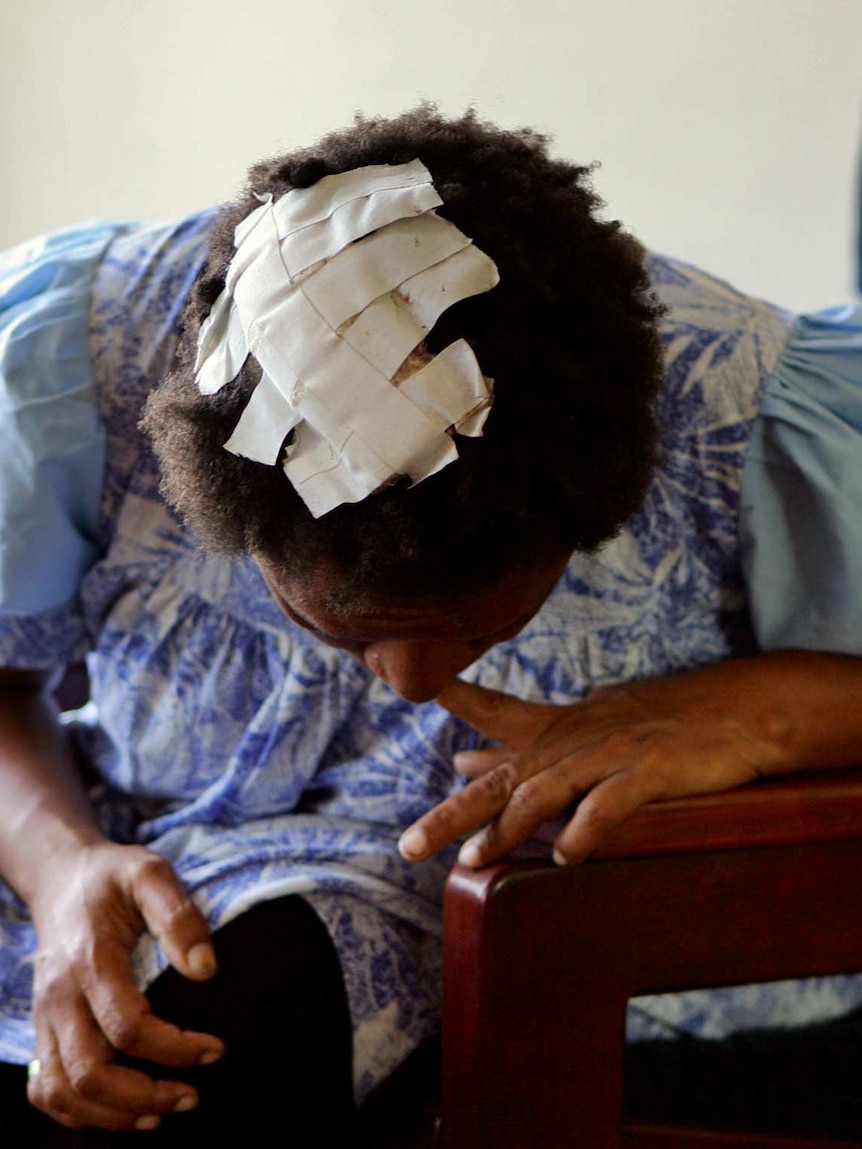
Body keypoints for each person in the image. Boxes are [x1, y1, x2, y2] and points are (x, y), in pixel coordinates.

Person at [1, 105, 861, 1144]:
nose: (410, 682)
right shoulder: (76, 361)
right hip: (93, 848)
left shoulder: (749, 403)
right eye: (354, 632)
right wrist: (58, 870)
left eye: (472, 624)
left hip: (526, 958)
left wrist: (758, 714)